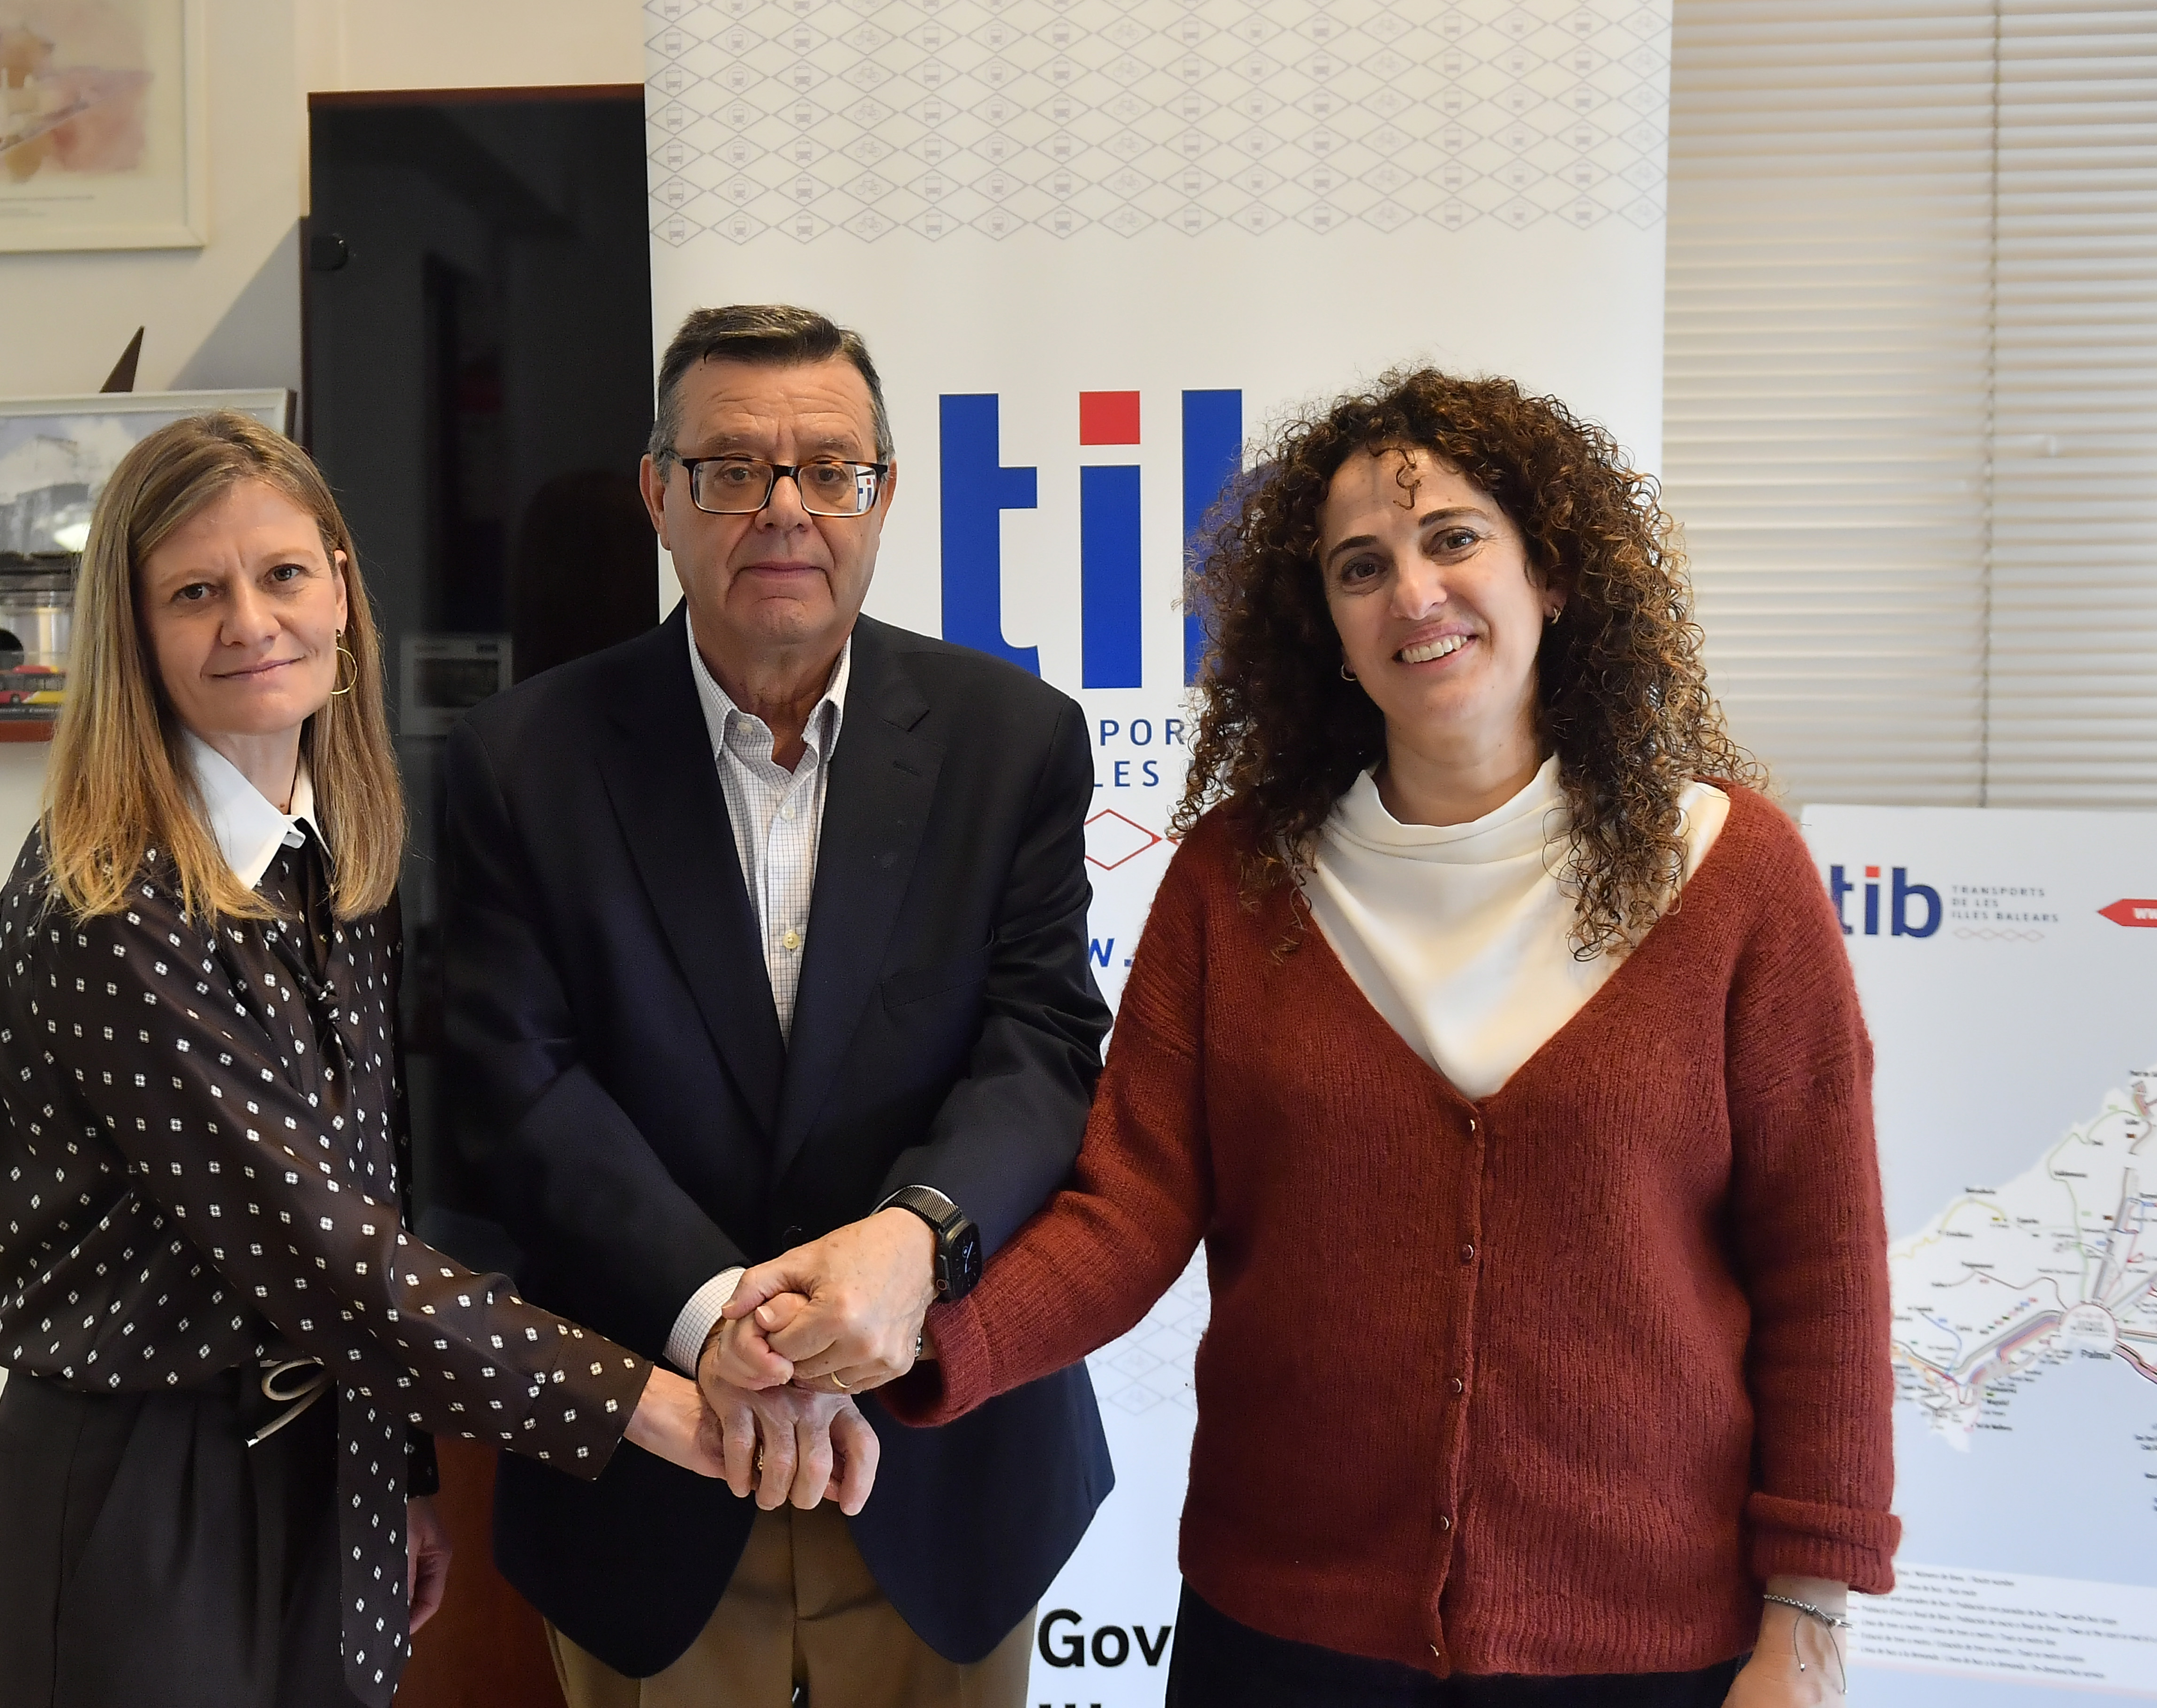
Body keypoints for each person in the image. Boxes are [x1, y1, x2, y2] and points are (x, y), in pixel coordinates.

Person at [731, 369, 1901, 1707]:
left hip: (1647, 1644)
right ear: (1326, 631)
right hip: (1286, 1635)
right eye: (1362, 567)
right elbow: (1127, 1210)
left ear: (1555, 577)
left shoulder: (1733, 876)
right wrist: (925, 1336)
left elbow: (1827, 1271)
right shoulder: (1243, 884)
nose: (1415, 593)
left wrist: (1807, 1621)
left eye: (1455, 538)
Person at [0, 412, 855, 1708]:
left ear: (339, 585)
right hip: (143, 1495)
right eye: (195, 593)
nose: (251, 624)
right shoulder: (112, 911)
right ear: (134, 635)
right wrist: (668, 1409)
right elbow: (330, 1257)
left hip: (327, 1459)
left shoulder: (337, 856)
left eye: (281, 575)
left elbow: (369, 1184)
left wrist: (403, 1477)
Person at [440, 303, 1116, 1707]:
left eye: (830, 469)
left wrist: (911, 1247)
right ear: (661, 496)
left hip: (941, 1462)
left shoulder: (1014, 742)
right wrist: (718, 1318)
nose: (785, 510)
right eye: (735, 470)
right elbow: (517, 1087)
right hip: (650, 1457)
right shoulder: (523, 761)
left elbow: (1042, 1045)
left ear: (885, 494)